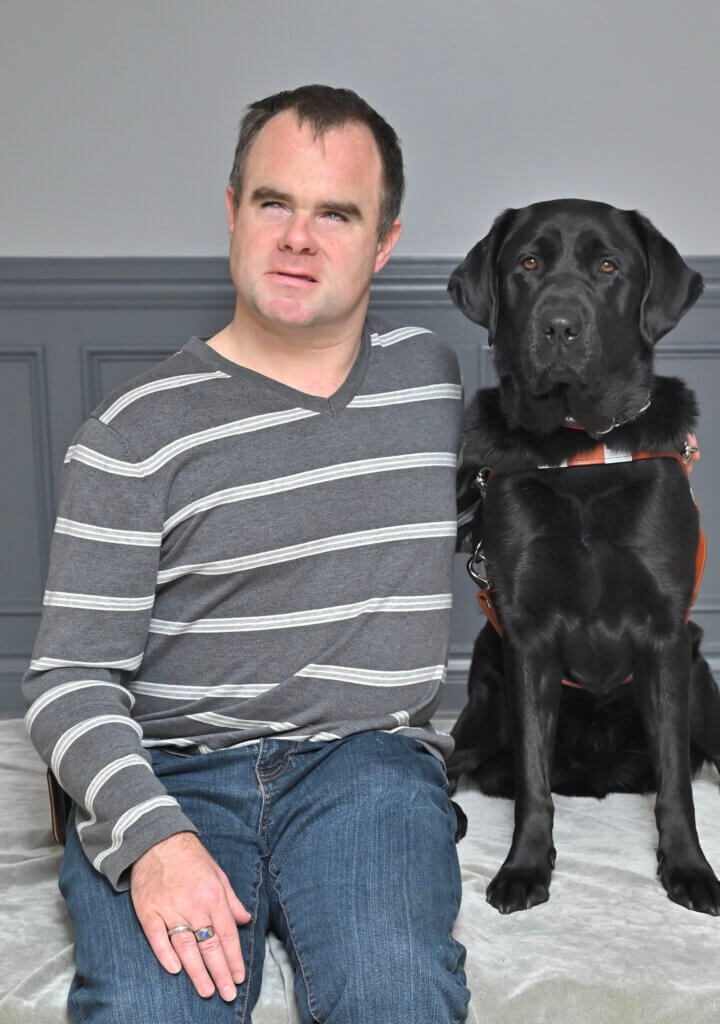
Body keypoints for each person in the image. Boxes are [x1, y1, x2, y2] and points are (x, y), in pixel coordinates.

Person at [22, 84, 470, 1023]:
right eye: (275, 203)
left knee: (397, 997)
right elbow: (68, 681)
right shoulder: (133, 432)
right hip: (174, 771)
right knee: (150, 1015)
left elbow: (538, 479)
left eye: (335, 213)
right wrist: (154, 842)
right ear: (234, 212)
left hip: (367, 765)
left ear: (383, 243)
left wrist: (638, 456)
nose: (299, 238)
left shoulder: (428, 382)